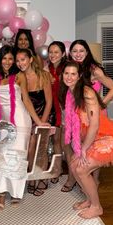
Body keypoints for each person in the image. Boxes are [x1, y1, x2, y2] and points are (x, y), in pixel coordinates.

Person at [59, 61, 113, 219]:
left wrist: (83, 149)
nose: (69, 77)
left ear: (80, 76)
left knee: (81, 168)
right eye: (66, 73)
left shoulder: (87, 93)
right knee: (74, 166)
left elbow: (94, 125)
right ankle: (89, 200)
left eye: (73, 74)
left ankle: (97, 207)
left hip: (108, 137)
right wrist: (81, 147)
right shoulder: (70, 93)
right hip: (94, 138)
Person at [0, 45, 49, 210]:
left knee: (18, 156)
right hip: (3, 121)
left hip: (20, 119)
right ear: (0, 59)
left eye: (12, 59)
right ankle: (2, 193)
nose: (8, 62)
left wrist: (37, 121)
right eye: (5, 58)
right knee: (4, 154)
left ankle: (16, 192)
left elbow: (26, 100)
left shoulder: (19, 76)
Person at [62, 39, 113, 191]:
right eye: (75, 51)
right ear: (71, 53)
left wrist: (101, 104)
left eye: (81, 51)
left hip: (94, 115)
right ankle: (83, 177)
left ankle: (95, 180)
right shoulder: (73, 70)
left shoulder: (95, 70)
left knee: (94, 147)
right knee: (81, 145)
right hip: (80, 116)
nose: (78, 54)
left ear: (87, 52)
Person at [15, 48, 52, 196]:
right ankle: (31, 176)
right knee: (30, 146)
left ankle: (41, 176)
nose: (20, 63)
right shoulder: (18, 77)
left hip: (44, 114)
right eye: (17, 61)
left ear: (30, 59)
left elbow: (49, 102)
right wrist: (34, 122)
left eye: (22, 59)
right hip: (27, 116)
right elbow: (24, 101)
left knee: (40, 145)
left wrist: (41, 122)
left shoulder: (43, 75)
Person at [47, 41, 67, 188]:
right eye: (51, 52)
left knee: (59, 142)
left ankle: (58, 169)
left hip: (63, 109)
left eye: (56, 52)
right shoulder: (46, 68)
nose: (53, 55)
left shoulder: (66, 69)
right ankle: (55, 167)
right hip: (50, 108)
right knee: (53, 141)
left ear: (63, 54)